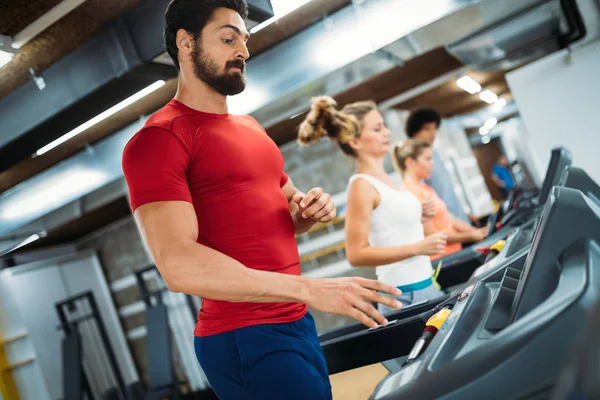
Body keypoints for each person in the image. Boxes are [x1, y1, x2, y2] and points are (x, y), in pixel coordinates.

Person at [121, 1, 402, 399]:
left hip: (295, 321)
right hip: (242, 333)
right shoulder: (159, 139)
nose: (243, 51)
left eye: (245, 40)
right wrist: (308, 288)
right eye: (227, 38)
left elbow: (287, 209)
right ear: (186, 43)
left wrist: (308, 209)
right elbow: (178, 265)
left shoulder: (250, 127)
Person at [298, 96, 448, 312]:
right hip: (404, 295)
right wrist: (417, 248)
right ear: (356, 141)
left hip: (426, 283)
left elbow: (392, 230)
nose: (386, 132)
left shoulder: (387, 179)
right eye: (377, 129)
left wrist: (420, 216)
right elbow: (356, 253)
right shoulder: (362, 185)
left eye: (384, 126)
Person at [393, 139, 487, 260]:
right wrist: (471, 236)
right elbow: (434, 236)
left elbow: (450, 219)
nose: (432, 164)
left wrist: (477, 231)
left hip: (455, 252)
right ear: (410, 162)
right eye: (427, 159)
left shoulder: (424, 187)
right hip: (443, 259)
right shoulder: (410, 194)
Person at [405, 108, 475, 224]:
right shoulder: (416, 163)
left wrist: (464, 215)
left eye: (434, 128)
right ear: (415, 132)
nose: (433, 133)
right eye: (427, 129)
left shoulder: (434, 154)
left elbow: (446, 192)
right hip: (447, 227)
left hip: (460, 221)